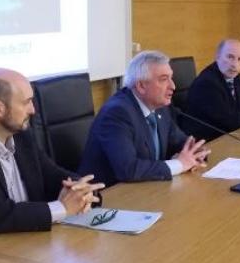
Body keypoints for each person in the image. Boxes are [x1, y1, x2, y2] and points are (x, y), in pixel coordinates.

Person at [0, 68, 103, 251]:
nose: (33, 110)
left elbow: (53, 175)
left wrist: (84, 192)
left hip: (29, 243)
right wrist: (60, 208)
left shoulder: (22, 136)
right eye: (27, 102)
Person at [78, 50, 210, 187]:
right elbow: (128, 169)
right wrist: (180, 164)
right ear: (141, 86)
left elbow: (180, 141)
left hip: (146, 189)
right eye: (164, 79)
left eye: (171, 78)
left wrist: (196, 154)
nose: (173, 86)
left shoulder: (160, 107)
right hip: (108, 195)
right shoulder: (117, 113)